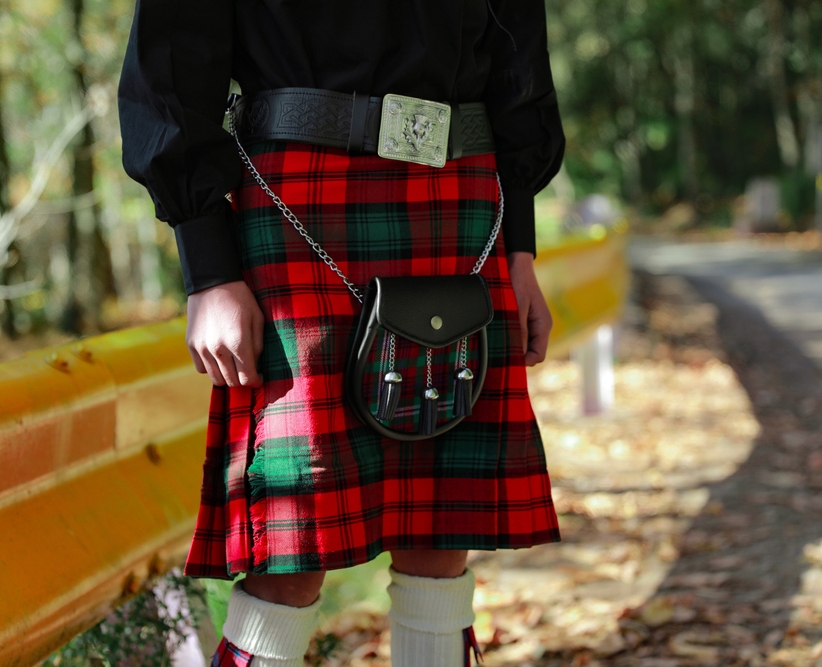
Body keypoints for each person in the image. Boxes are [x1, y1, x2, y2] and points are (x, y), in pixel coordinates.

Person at [118, 2, 564, 665]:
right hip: (295, 189)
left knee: (440, 531)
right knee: (290, 545)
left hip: (462, 186)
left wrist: (519, 248)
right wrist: (208, 266)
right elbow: (179, 44)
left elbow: (516, 43)